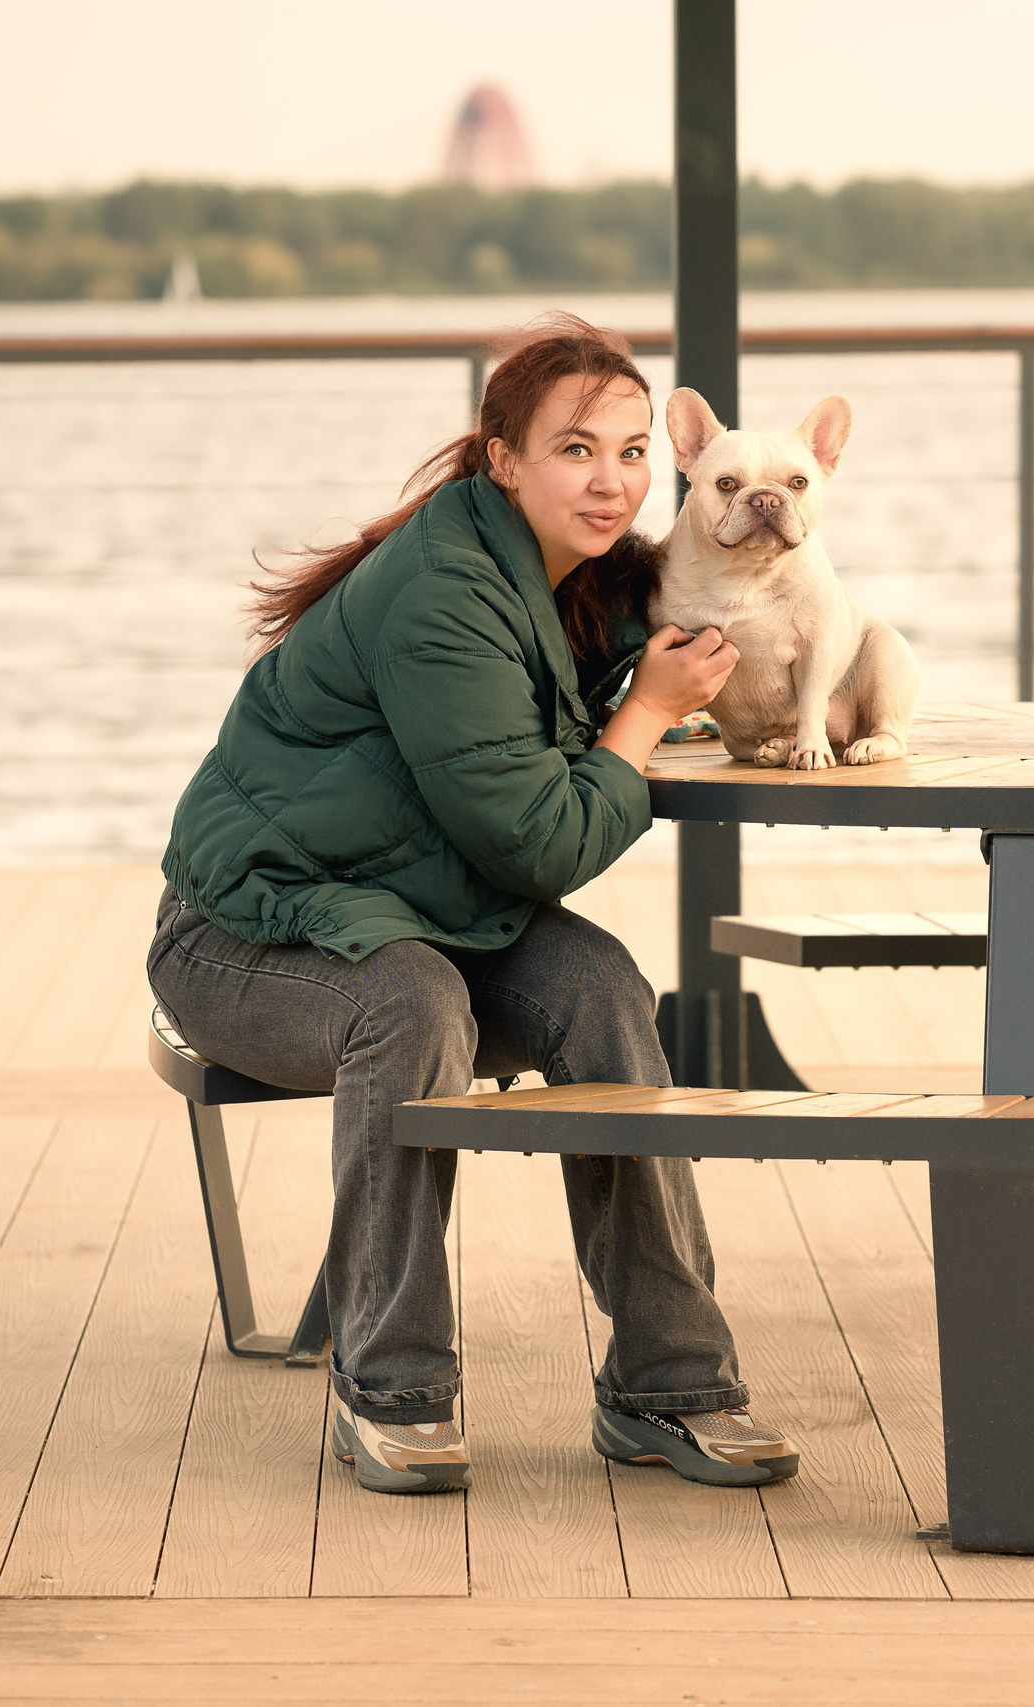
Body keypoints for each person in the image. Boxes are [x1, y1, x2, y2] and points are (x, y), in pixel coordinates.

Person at [148, 315, 797, 1495]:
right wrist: (643, 719)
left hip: (425, 910)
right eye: (576, 451)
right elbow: (540, 840)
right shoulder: (446, 592)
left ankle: (672, 1385)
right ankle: (387, 1384)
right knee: (410, 1001)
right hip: (247, 937)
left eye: (635, 451)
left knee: (599, 985)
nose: (613, 482)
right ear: (502, 460)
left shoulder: (576, 578)